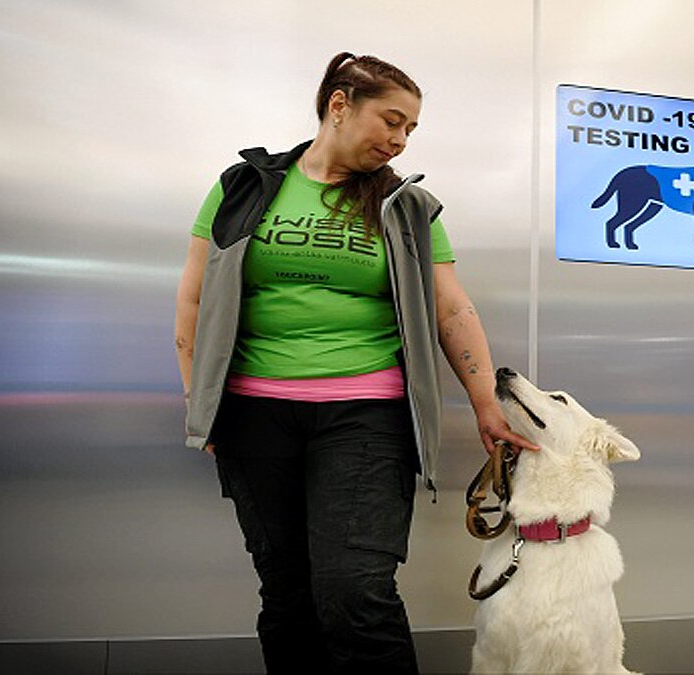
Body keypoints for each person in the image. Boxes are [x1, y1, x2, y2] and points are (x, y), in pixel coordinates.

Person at [174, 52, 535, 673]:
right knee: (286, 596)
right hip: (254, 418)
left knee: (355, 594)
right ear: (339, 104)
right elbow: (195, 295)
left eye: (410, 131)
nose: (399, 141)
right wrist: (198, 402)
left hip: (366, 419)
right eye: (391, 121)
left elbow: (451, 310)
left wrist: (484, 406)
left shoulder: (406, 205)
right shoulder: (244, 187)